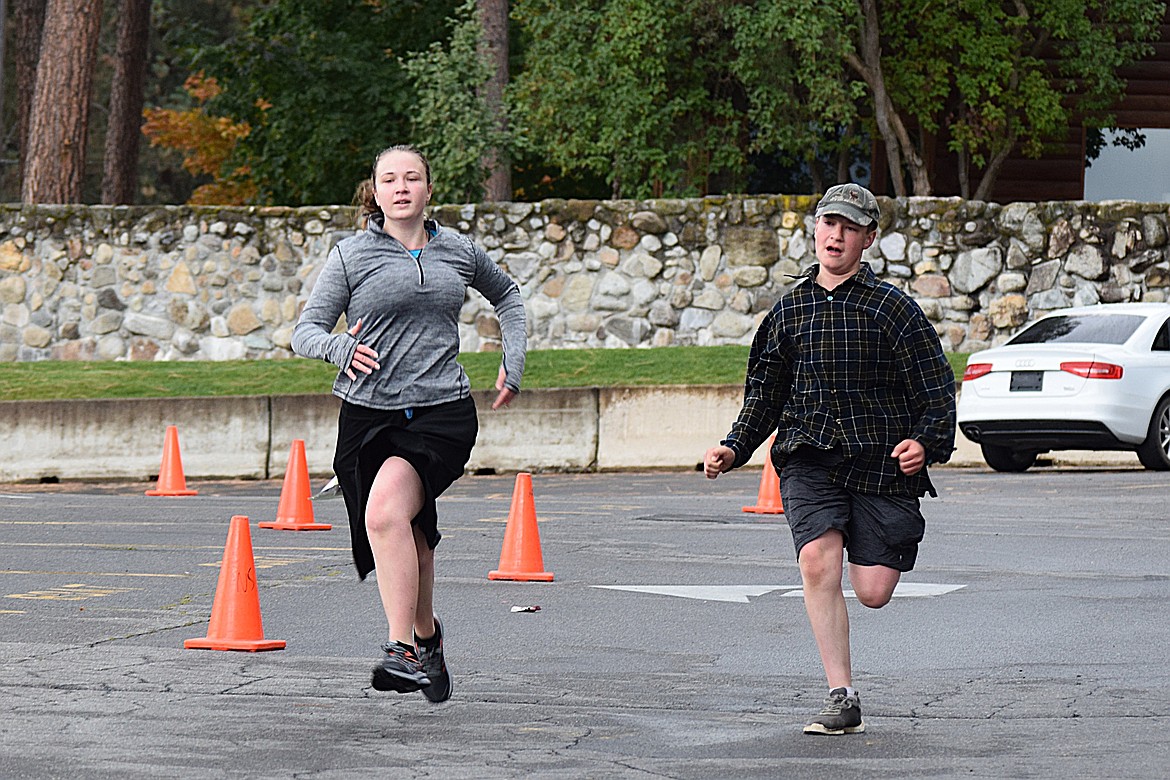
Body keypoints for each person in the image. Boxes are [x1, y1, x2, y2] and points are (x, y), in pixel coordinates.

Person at [703, 183, 956, 735]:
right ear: (815, 229)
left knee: (873, 592)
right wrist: (735, 446)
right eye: (828, 223)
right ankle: (842, 695)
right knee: (818, 562)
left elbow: (936, 388)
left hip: (880, 462)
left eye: (849, 227)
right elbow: (765, 396)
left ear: (869, 237)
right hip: (808, 457)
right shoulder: (789, 312)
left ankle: (876, 557)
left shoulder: (894, 310)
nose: (835, 236)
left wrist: (926, 443)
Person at [292, 144, 526, 702]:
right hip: (368, 416)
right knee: (410, 535)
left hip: (442, 412)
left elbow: (508, 296)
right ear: (375, 192)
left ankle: (400, 650)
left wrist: (511, 361)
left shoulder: (458, 251)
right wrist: (339, 349)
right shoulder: (351, 256)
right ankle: (427, 637)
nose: (401, 187)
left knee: (385, 514)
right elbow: (305, 331)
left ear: (428, 189)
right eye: (390, 179)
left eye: (412, 178)